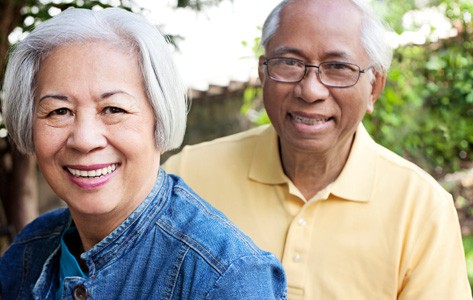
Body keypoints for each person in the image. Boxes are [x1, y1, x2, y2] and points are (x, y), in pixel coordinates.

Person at [163, 0, 472, 299]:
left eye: (338, 67)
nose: (310, 90)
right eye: (290, 63)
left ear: (374, 88)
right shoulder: (186, 177)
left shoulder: (421, 209)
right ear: (263, 73)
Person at [0, 7, 287, 299]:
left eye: (113, 109)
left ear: (159, 118)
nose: (84, 140)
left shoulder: (226, 277)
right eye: (59, 111)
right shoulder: (28, 252)